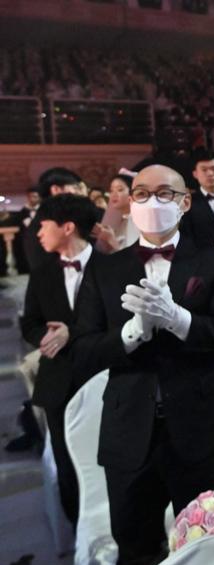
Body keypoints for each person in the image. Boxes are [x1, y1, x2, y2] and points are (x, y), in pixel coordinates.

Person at [73, 163, 214, 565]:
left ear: (185, 203)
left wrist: (179, 320)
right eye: (140, 193)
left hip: (199, 423)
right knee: (136, 545)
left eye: (163, 193)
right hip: (130, 426)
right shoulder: (104, 270)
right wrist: (133, 333)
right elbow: (84, 351)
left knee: (207, 538)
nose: (150, 202)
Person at [20, 193, 101, 528]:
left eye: (45, 225)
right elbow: (30, 323)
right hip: (58, 382)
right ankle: (81, 530)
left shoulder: (112, 265)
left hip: (102, 375)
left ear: (67, 228)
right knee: (68, 464)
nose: (38, 232)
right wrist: (46, 337)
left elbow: (115, 322)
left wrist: (72, 332)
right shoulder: (41, 274)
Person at [180, 150, 214, 247]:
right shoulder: (189, 203)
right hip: (204, 258)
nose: (210, 173)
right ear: (195, 174)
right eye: (204, 170)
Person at [92, 172, 139, 254]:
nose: (114, 194)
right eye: (111, 190)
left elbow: (133, 258)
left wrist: (111, 240)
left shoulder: (137, 221)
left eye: (120, 190)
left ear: (133, 192)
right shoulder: (123, 220)